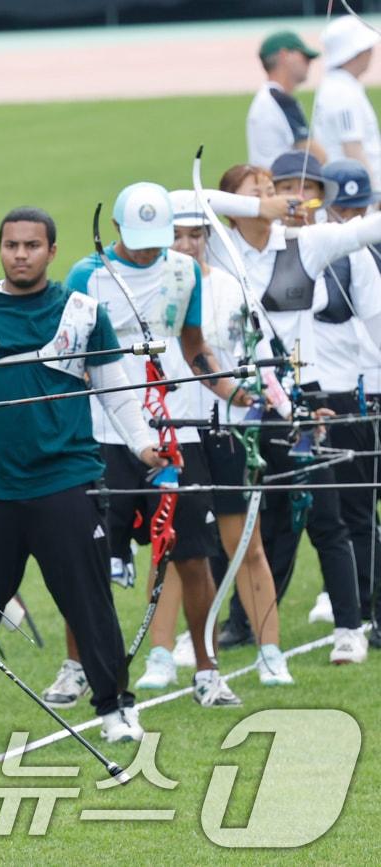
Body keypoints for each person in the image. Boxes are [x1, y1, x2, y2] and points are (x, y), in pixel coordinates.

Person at [0, 208, 152, 746]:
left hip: (65, 480)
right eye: (11, 245)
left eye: (31, 245)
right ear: (0, 249)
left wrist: (145, 446)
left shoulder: (81, 311)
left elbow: (115, 388)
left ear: (52, 251)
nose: (20, 254)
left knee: (89, 602)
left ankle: (115, 707)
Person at [60, 181, 243, 707]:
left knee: (192, 554)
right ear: (115, 229)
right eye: (138, 239)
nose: (148, 250)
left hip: (173, 434)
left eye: (156, 238)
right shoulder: (86, 274)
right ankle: (76, 667)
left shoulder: (183, 272)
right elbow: (69, 358)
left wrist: (241, 394)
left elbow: (195, 348)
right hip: (102, 435)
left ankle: (207, 670)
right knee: (88, 556)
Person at [207, 156, 381, 663]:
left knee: (325, 512)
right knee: (244, 517)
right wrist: (259, 204)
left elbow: (364, 228)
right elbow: (191, 202)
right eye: (258, 190)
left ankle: (350, 626)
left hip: (301, 407)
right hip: (240, 404)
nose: (273, 196)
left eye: (272, 188)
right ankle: (238, 623)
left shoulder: (306, 244)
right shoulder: (221, 247)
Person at [167, 188, 293, 685]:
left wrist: (270, 399)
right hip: (175, 432)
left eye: (197, 234)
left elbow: (257, 360)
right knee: (179, 550)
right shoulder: (148, 288)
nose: (189, 244)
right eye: (177, 235)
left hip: (229, 432)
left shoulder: (230, 288)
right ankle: (168, 654)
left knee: (246, 544)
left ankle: (270, 652)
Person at [314, 159, 381, 647]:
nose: (350, 215)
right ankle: (353, 602)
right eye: (341, 206)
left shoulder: (356, 249)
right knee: (333, 508)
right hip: (326, 394)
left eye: (358, 206)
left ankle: (364, 604)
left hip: (362, 390)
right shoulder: (319, 246)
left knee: (357, 507)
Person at [315, 15, 381, 184]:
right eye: (367, 48)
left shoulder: (338, 87)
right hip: (355, 193)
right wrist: (374, 194)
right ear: (354, 54)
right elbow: (353, 149)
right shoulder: (342, 93)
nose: (371, 53)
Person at [247, 30, 325, 169]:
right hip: (283, 186)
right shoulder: (281, 100)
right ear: (284, 55)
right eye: (305, 57)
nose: (309, 63)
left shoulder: (266, 98)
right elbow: (317, 156)